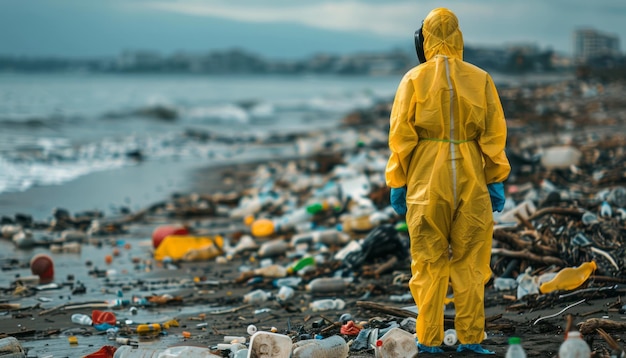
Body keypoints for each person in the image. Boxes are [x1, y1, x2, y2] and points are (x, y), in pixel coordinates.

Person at [385, 7, 511, 355]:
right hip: (471, 174)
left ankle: (428, 338)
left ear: (422, 39)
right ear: (458, 38)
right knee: (472, 262)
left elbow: (401, 136)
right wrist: (495, 177)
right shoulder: (480, 77)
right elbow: (493, 132)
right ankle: (471, 339)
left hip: (427, 176)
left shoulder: (413, 79)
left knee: (428, 262)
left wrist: (398, 180)